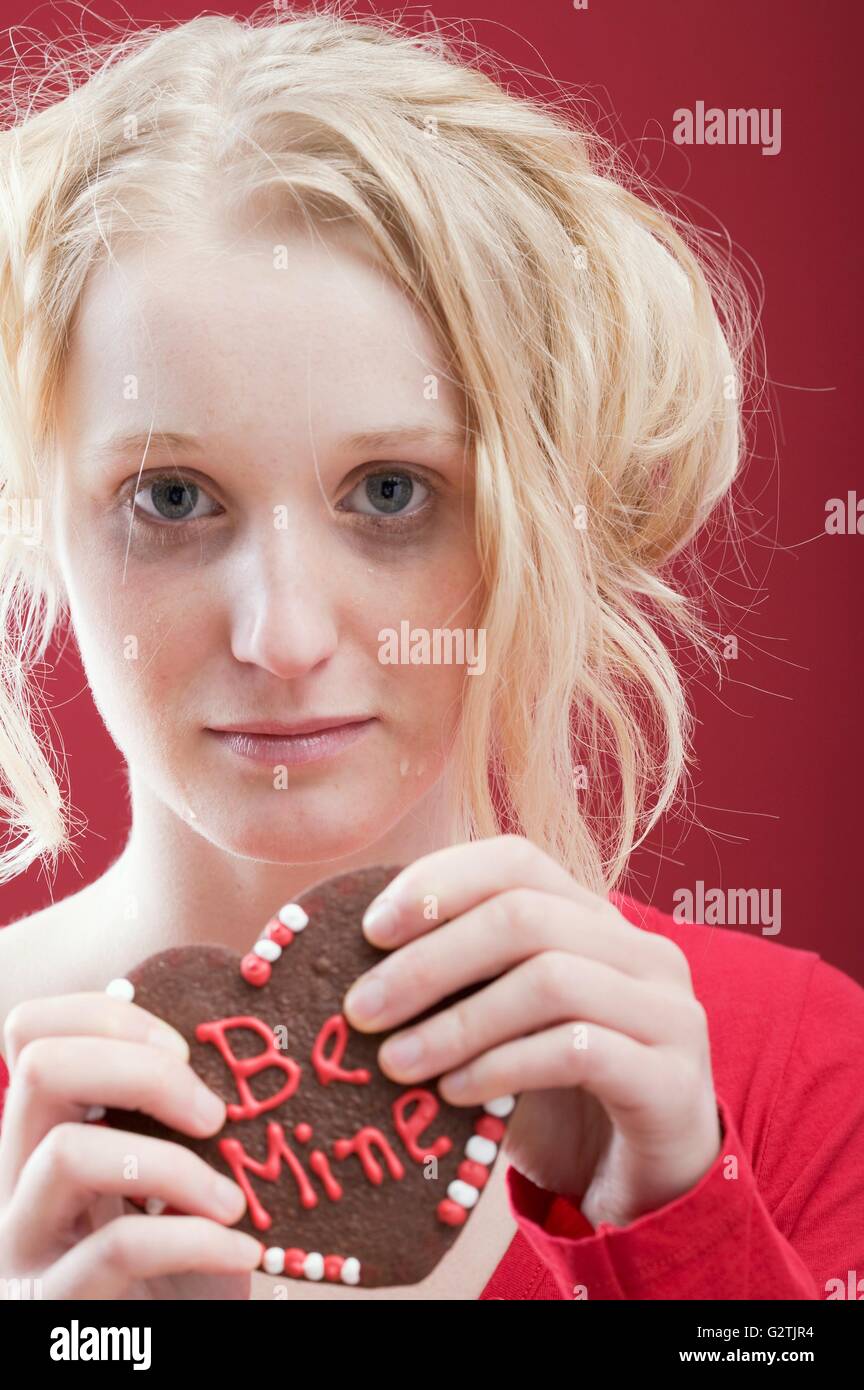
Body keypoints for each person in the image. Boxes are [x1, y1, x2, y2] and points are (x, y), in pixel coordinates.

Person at [0, 6, 861, 1302]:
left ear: (548, 507)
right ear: (34, 517)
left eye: (392, 491)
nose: (284, 637)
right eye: (173, 497)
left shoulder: (791, 1065)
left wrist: (684, 1229)